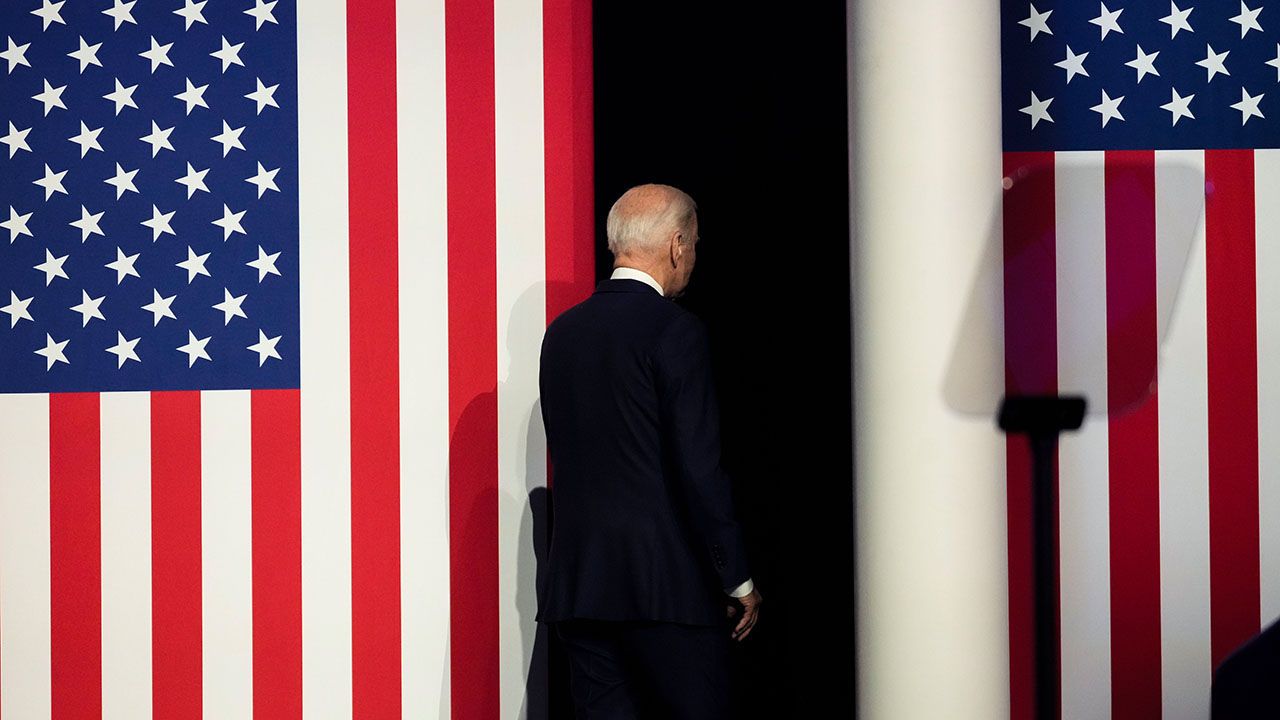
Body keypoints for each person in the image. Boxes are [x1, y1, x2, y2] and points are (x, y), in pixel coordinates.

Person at [537, 184, 762, 718]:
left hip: (581, 589)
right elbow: (698, 470)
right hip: (667, 592)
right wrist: (738, 578)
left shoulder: (561, 334)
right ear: (678, 245)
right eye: (695, 245)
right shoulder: (675, 332)